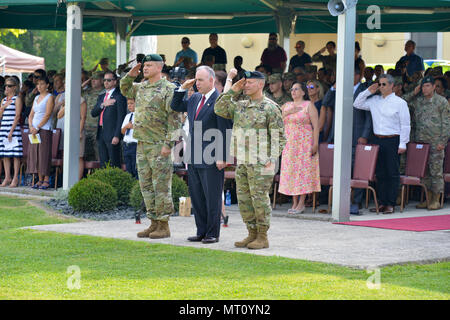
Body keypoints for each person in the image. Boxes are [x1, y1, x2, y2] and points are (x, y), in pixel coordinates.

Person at [215, 71, 286, 250]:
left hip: (262, 162)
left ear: (261, 84)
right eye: (245, 83)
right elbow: (219, 108)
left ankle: (262, 236)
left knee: (259, 199)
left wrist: (271, 159)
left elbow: (279, 137)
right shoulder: (241, 106)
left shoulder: (270, 107)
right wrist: (232, 90)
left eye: (250, 83)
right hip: (243, 161)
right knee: (245, 199)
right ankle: (251, 233)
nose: (245, 85)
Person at [121, 54, 181, 240]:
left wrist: (168, 144)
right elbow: (124, 89)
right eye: (144, 66)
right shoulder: (141, 87)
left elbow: (175, 119)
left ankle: (164, 225)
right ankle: (153, 222)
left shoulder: (168, 89)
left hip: (159, 144)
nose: (144, 68)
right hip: (142, 144)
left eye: (148, 65)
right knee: (146, 185)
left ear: (158, 68)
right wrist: (130, 75)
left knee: (160, 186)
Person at [171, 65, 233, 244]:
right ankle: (201, 231)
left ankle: (213, 233)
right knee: (197, 196)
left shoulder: (218, 99)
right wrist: (183, 87)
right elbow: (175, 105)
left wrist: (223, 156)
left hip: (212, 155)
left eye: (200, 80)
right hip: (193, 154)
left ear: (211, 80)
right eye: (196, 80)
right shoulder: (194, 98)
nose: (197, 83)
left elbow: (225, 129)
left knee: (212, 196)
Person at [354, 74, 411, 214]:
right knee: (380, 173)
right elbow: (357, 103)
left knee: (392, 172)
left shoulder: (400, 103)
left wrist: (403, 143)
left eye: (384, 84)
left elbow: (405, 125)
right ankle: (382, 202)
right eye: (379, 84)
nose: (381, 87)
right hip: (377, 139)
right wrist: (368, 91)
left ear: (392, 86)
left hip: (393, 140)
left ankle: (390, 203)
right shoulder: (374, 100)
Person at [402, 76, 450, 210]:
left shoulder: (441, 102)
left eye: (428, 86)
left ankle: (436, 199)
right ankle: (428, 199)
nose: (425, 89)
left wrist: (443, 141)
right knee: (425, 173)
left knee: (436, 172)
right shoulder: (418, 101)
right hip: (421, 143)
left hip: (436, 142)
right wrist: (414, 92)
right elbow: (402, 102)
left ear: (434, 87)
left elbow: (446, 123)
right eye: (423, 86)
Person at [279, 82, 320, 214]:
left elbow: (316, 126)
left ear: (303, 92)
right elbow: (276, 121)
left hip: (304, 144)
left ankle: (301, 203)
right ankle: (294, 202)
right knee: (291, 172)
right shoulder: (286, 106)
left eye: (296, 89)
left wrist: (315, 144)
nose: (293, 91)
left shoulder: (308, 105)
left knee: (302, 173)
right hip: (289, 145)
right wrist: (288, 112)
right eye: (292, 89)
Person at [91, 71, 127, 168]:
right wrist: (103, 105)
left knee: (114, 162)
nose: (106, 82)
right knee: (103, 162)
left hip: (112, 134)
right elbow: (93, 113)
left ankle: (115, 182)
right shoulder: (101, 96)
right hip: (101, 132)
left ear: (115, 82)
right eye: (104, 80)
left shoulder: (119, 97)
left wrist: (117, 135)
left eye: (109, 80)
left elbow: (121, 118)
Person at [349, 68, 372, 215]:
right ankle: (343, 199)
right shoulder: (342, 89)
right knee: (345, 169)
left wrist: (364, 135)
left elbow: (369, 116)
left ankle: (356, 201)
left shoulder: (365, 90)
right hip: (343, 136)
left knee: (358, 170)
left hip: (358, 136)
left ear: (358, 75)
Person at [27, 76, 54, 190]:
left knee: (44, 153)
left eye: (42, 84)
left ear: (47, 85)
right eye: (38, 84)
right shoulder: (36, 97)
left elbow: (47, 114)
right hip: (34, 130)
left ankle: (46, 179)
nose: (39, 86)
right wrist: (31, 126)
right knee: (35, 154)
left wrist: (37, 127)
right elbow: (31, 114)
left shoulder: (50, 97)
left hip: (44, 129)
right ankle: (39, 179)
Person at [56, 88, 88, 180]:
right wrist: (66, 105)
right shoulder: (66, 101)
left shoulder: (81, 100)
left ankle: (77, 181)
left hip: (77, 131)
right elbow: (59, 115)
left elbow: (83, 117)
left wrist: (79, 132)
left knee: (79, 156)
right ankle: (67, 180)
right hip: (66, 132)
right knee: (66, 155)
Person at [0, 77, 23, 187]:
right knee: (5, 155)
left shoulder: (17, 99)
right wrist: (3, 107)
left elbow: (17, 116)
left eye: (9, 86)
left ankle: (15, 178)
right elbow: (0, 115)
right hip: (4, 128)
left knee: (15, 155)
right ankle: (7, 177)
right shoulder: (4, 100)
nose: (6, 88)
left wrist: (11, 131)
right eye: (5, 85)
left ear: (14, 87)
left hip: (13, 129)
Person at [82, 71, 104, 162]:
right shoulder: (87, 92)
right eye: (92, 79)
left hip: (97, 128)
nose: (93, 81)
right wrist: (86, 82)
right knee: (86, 154)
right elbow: (74, 92)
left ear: (102, 81)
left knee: (98, 154)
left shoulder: (104, 93)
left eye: (96, 79)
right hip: (86, 127)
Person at [120, 98, 138, 179]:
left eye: (131, 103)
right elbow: (122, 131)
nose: (129, 105)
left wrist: (133, 126)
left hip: (135, 145)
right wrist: (127, 126)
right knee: (128, 168)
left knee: (135, 168)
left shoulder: (140, 116)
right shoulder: (128, 116)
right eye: (128, 104)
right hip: (126, 145)